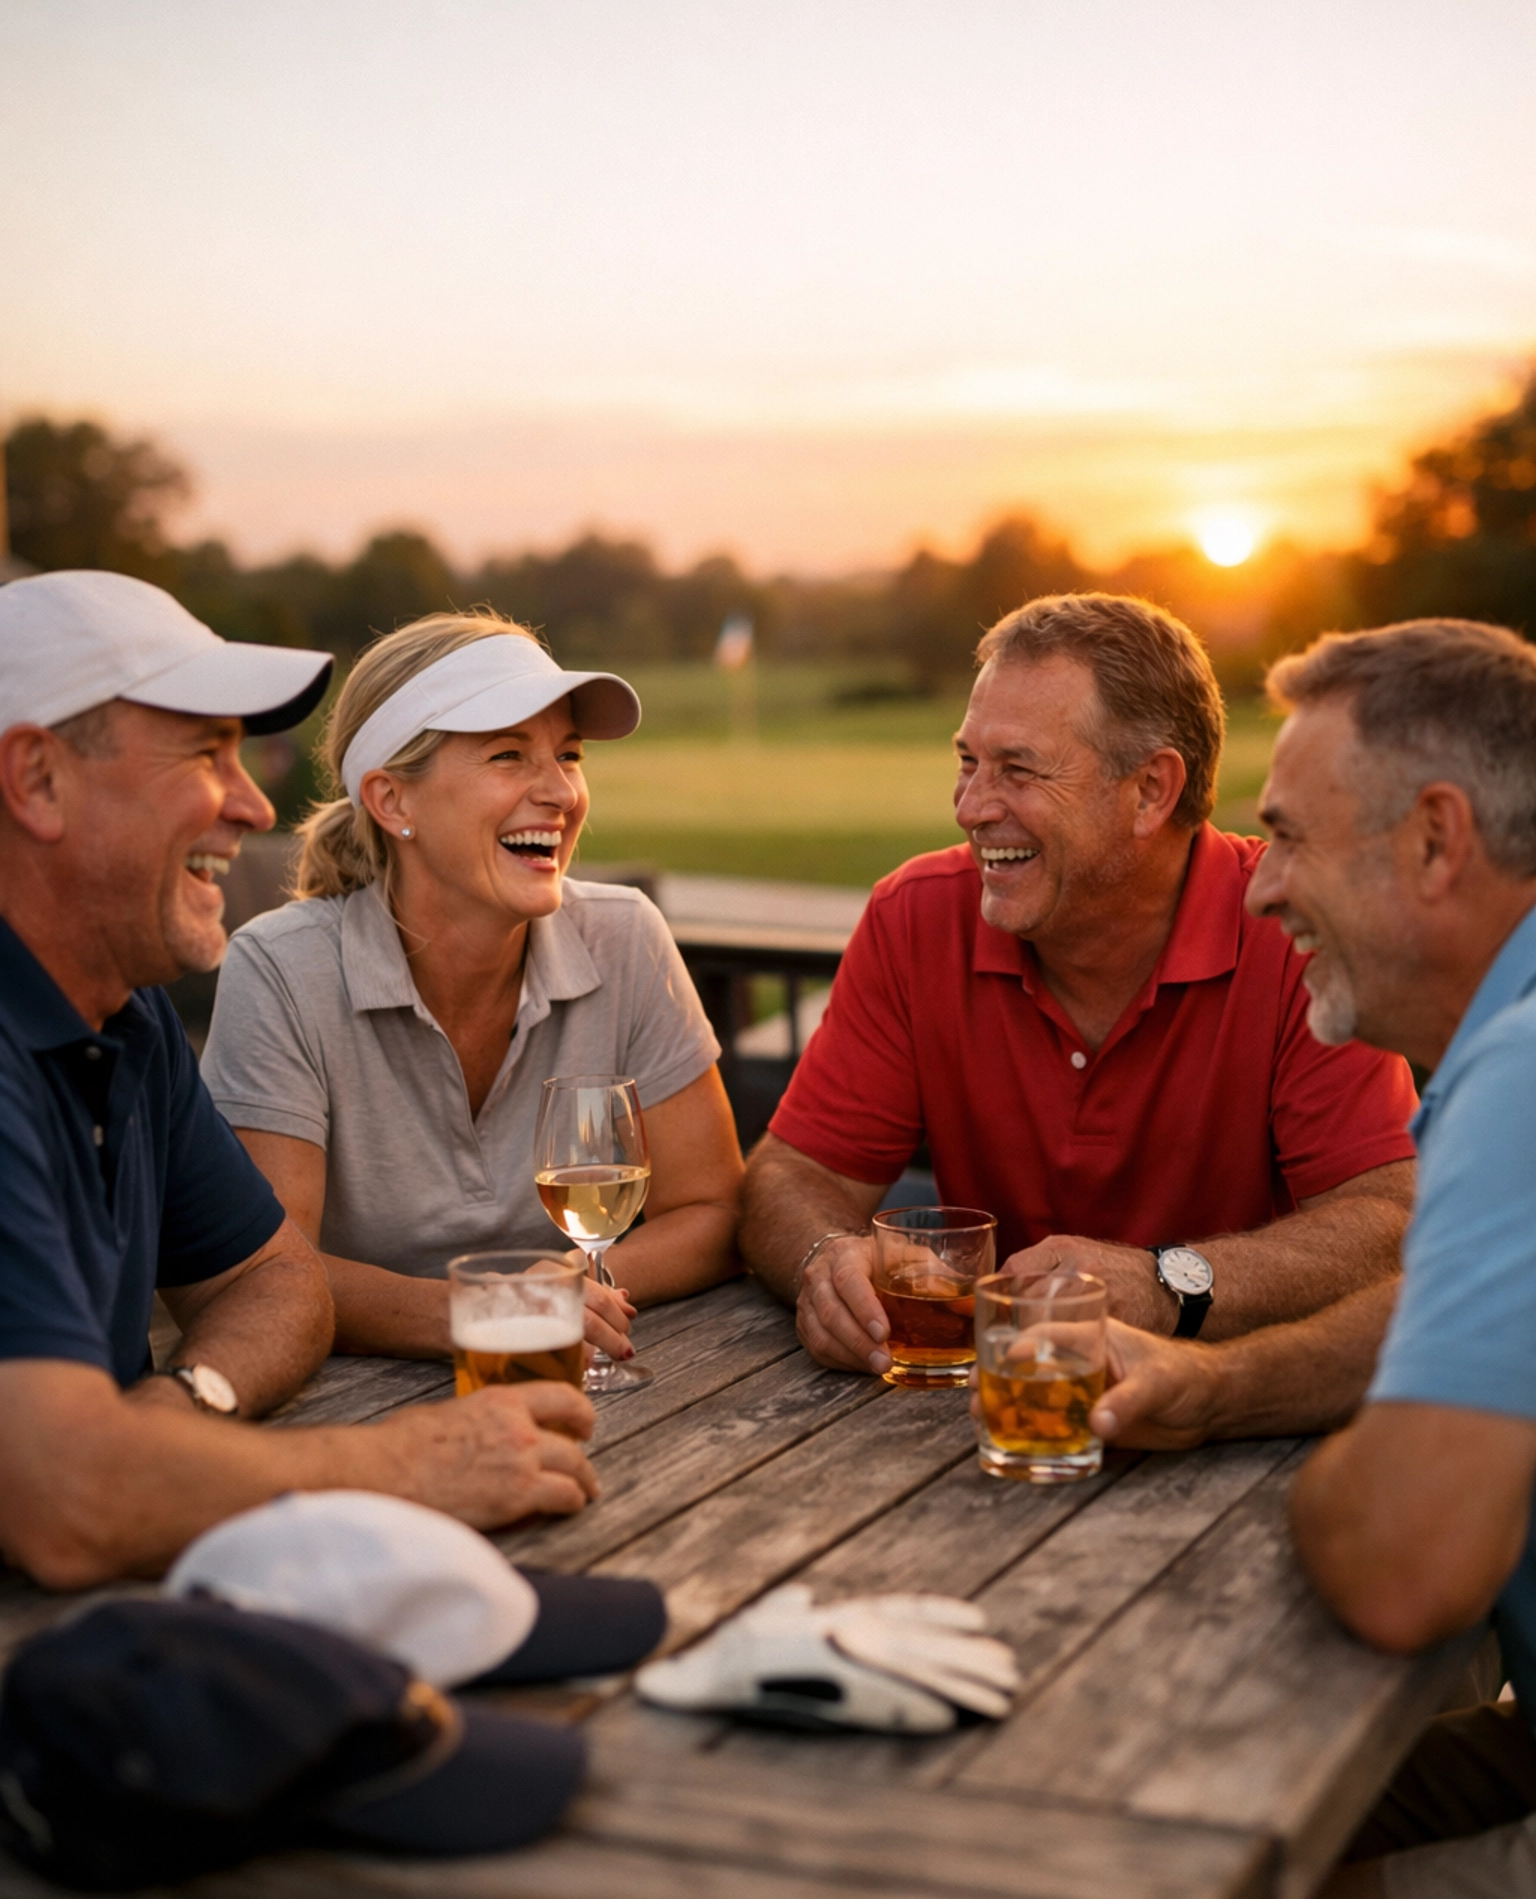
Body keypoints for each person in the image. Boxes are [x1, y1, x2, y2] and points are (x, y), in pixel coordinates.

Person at [1070, 617, 1536, 1899]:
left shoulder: (1519, 1077)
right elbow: (1461, 1321)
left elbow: (1401, 1567)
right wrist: (1218, 1387)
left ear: (1436, 841)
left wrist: (1350, 1468)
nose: (1260, 888)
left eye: (1289, 836)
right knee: (1157, 1845)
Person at [0, 570, 598, 1592]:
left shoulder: (124, 1010)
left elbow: (276, 1280)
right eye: (205, 752)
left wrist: (182, 1407)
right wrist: (410, 1466)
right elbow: (68, 1505)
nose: (254, 803)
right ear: (39, 780)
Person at [738, 593, 1418, 1378]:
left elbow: (1387, 1219)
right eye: (968, 761)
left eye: (1018, 769)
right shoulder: (915, 914)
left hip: (1243, 1416)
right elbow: (793, 1173)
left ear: (1151, 792)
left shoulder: (1294, 926)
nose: (970, 808)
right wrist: (827, 1261)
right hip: (992, 1419)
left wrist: (1166, 1283)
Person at [200, 611, 741, 1362]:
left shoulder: (625, 937)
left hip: (595, 1377)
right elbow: (265, 1271)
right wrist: (497, 1312)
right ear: (392, 802)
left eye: (570, 754)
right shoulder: (281, 971)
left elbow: (713, 1209)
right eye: (509, 756)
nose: (560, 792)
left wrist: (562, 1289)